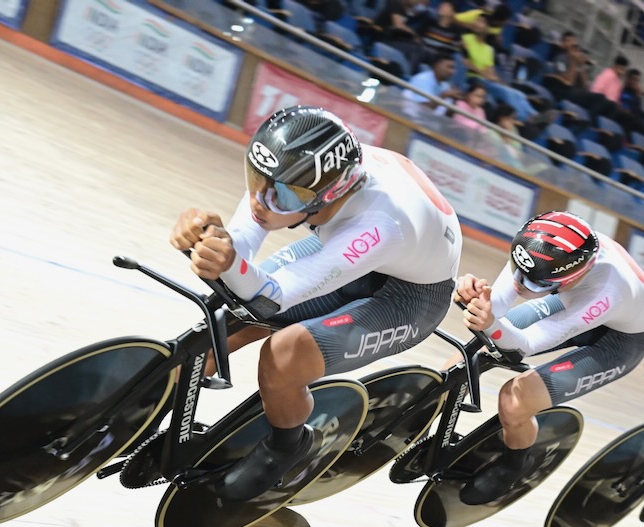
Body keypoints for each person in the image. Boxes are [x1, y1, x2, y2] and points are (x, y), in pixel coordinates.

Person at [169, 105, 461, 501]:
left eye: (281, 195)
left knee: (284, 355)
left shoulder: (379, 223)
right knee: (223, 319)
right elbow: (243, 244)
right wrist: (214, 236)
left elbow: (271, 296)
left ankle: (288, 446)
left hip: (410, 295)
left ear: (328, 194)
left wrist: (227, 262)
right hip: (362, 250)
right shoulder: (295, 173)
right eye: (257, 180)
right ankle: (157, 402)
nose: (259, 201)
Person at [454, 211, 644, 504]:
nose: (522, 286)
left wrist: (490, 324)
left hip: (619, 340)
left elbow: (524, 346)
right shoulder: (542, 247)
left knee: (515, 400)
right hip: (572, 298)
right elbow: (495, 305)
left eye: (537, 283)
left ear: (571, 276)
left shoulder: (607, 291)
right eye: (519, 271)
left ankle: (514, 465)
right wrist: (477, 299)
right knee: (469, 351)